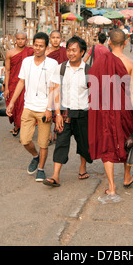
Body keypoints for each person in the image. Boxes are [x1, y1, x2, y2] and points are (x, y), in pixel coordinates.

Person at [88, 29, 133, 199]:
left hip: (104, 109)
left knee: (107, 144)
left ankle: (111, 187)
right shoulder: (131, 64)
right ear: (125, 43)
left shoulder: (101, 61)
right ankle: (126, 177)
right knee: (127, 141)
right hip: (124, 110)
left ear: (109, 42)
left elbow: (93, 86)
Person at [6, 32, 58, 182]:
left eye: (41, 46)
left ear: (46, 47)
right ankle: (35, 156)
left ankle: (41, 169)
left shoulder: (52, 64)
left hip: (44, 109)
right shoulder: (27, 62)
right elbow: (21, 82)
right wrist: (12, 102)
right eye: (36, 45)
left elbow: (54, 87)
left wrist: (49, 108)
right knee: (24, 140)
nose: (38, 48)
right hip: (28, 107)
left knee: (43, 143)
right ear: (32, 44)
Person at [43, 36, 92, 187]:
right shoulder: (61, 68)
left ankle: (82, 168)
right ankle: (55, 175)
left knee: (84, 143)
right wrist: (56, 113)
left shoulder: (89, 70)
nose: (70, 53)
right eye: (68, 50)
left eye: (74, 50)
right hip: (64, 113)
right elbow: (55, 90)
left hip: (83, 113)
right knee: (61, 143)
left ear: (82, 52)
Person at [4, 31, 34, 136]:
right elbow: (7, 71)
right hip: (13, 82)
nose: (20, 41)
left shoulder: (31, 51)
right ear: (15, 40)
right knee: (14, 106)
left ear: (26, 40)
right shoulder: (10, 53)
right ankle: (17, 125)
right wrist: (6, 87)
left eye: (23, 39)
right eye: (18, 39)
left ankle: (21, 128)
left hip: (26, 83)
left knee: (23, 106)